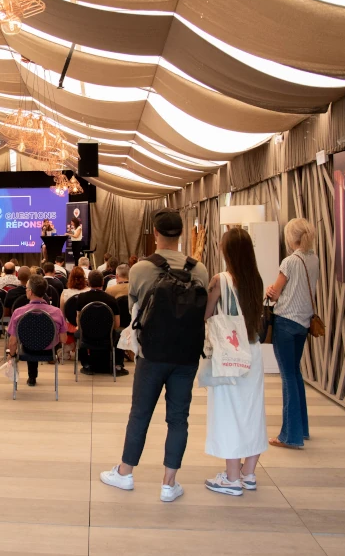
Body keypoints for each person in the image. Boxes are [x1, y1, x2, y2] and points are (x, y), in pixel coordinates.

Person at [99, 208, 208, 502]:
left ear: (156, 234)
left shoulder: (140, 270)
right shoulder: (199, 270)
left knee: (140, 413)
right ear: (181, 234)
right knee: (178, 418)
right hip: (187, 355)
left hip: (152, 354)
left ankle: (125, 473)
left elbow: (134, 312)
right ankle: (169, 484)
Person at [202, 227, 267, 495]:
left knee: (228, 411)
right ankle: (248, 474)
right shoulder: (257, 280)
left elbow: (206, 314)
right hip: (253, 350)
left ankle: (231, 479)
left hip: (229, 351)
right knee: (252, 410)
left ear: (226, 251)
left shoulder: (220, 280)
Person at [265, 217, 319, 450]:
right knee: (295, 374)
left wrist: (270, 289)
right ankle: (302, 429)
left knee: (288, 377)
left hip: (285, 322)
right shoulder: (314, 259)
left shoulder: (289, 262)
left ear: (290, 237)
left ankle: (290, 436)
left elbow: (275, 293)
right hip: (303, 324)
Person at [7, 276, 67, 387]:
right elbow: (63, 339)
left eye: (26, 288)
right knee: (37, 337)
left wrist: (12, 355)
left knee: (31, 339)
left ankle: (32, 377)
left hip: (28, 349)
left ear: (30, 292)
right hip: (50, 351)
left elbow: (12, 341)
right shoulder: (57, 312)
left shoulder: (18, 313)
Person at [66, 270, 125, 376]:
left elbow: (78, 320)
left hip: (87, 336)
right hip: (107, 337)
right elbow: (117, 324)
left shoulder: (81, 298)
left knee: (77, 334)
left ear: (88, 282)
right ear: (103, 282)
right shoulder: (111, 299)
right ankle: (118, 365)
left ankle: (86, 364)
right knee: (121, 333)